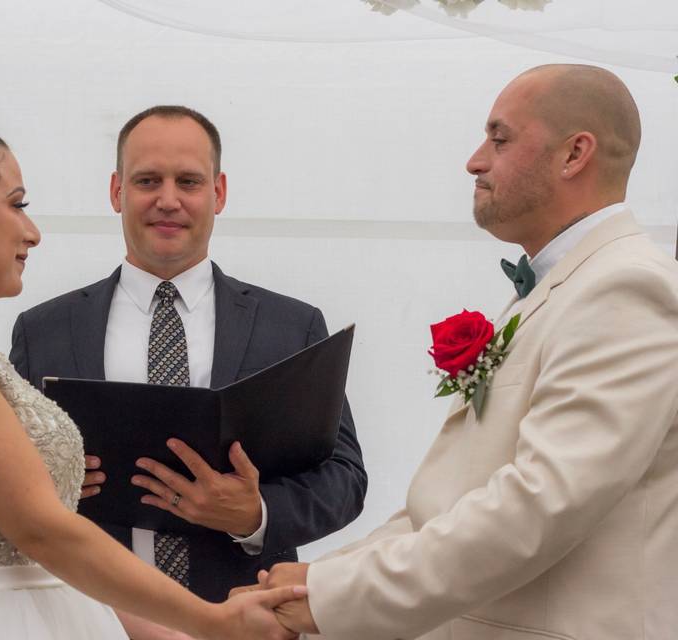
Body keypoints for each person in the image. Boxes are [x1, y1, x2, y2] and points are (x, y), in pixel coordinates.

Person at [0, 70, 306, 640]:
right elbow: (45, 532)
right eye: (16, 204)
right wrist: (211, 620)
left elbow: (46, 557)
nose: (33, 231)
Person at [248, 63, 678, 639]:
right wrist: (317, 580)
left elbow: (538, 505)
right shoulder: (563, 286)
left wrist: (328, 598)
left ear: (575, 154)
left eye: (499, 139)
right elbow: (451, 504)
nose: (475, 160)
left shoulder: (626, 288)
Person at [10, 105, 368, 604]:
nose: (168, 200)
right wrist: (50, 487)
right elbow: (6, 480)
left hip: (246, 619)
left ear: (218, 193)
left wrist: (255, 513)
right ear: (117, 191)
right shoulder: (43, 330)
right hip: (90, 620)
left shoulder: (291, 328)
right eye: (148, 180)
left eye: (189, 181)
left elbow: (344, 479)